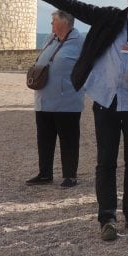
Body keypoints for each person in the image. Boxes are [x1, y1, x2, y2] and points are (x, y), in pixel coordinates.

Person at [19, 0, 128, 242]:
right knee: (106, 162)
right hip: (106, 100)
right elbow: (75, 5)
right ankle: (108, 218)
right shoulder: (110, 17)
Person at [25, 10, 84, 188]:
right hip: (43, 100)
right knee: (44, 140)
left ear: (65, 23)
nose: (51, 25)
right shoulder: (50, 39)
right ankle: (45, 173)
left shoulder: (80, 42)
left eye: (53, 21)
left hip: (67, 102)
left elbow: (90, 67)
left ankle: (70, 175)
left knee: (69, 140)